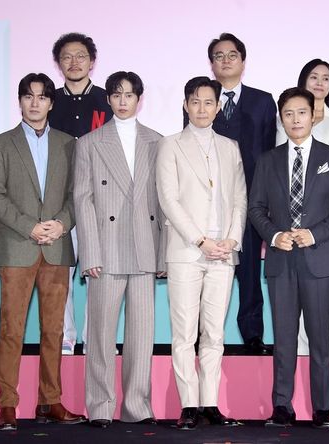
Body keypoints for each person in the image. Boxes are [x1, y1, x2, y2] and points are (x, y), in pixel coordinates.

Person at [249, 87, 329, 428]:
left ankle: (322, 409)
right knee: (283, 338)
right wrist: (274, 235)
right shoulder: (267, 160)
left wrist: (314, 234)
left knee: (321, 338)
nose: (295, 119)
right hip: (281, 261)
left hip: (320, 260)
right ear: (281, 118)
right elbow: (256, 208)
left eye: (301, 112)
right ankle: (282, 406)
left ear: (313, 116)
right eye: (288, 113)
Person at [0, 73, 86, 431]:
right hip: (17, 246)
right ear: (20, 101)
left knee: (54, 331)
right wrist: (29, 226)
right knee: (11, 329)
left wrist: (62, 224)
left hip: (57, 247)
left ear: (51, 103)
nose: (35, 103)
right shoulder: (0, 144)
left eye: (42, 97)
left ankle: (50, 401)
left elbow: (77, 194)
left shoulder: (68, 144)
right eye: (28, 96)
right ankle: (7, 404)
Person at [74, 71, 165, 427]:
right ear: (109, 99)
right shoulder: (90, 143)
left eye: (129, 94)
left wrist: (162, 254)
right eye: (116, 94)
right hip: (106, 250)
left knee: (141, 337)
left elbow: (164, 202)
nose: (123, 101)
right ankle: (100, 407)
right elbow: (83, 201)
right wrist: (90, 253)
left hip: (145, 248)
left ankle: (137, 407)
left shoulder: (157, 141)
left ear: (139, 99)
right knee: (100, 335)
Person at [157, 76, 247, 430]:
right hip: (186, 251)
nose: (202, 108)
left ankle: (210, 403)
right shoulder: (170, 145)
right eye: (195, 102)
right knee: (184, 333)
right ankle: (189, 405)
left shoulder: (230, 147)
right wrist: (199, 240)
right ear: (185, 105)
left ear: (218, 107)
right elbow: (168, 199)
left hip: (223, 253)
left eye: (209, 102)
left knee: (214, 333)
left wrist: (232, 240)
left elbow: (239, 199)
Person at [184, 33, 276, 355]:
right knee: (202, 272)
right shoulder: (200, 99)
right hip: (204, 204)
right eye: (219, 56)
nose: (225, 60)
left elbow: (269, 153)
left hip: (247, 201)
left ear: (242, 61)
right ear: (211, 63)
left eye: (232, 55)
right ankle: (199, 334)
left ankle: (253, 334)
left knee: (249, 272)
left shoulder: (263, 101)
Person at [277, 58, 329, 357]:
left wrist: (318, 230)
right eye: (314, 77)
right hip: (287, 235)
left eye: (326, 78)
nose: (320, 82)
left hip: (324, 230)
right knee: (287, 326)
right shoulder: (286, 122)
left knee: (324, 314)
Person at [49, 32, 113, 355]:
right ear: (58, 63)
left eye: (81, 56)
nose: (74, 62)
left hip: (100, 202)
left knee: (99, 274)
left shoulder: (108, 101)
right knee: (60, 273)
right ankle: (65, 337)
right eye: (67, 57)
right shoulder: (48, 102)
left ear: (92, 61)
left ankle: (94, 340)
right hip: (58, 203)